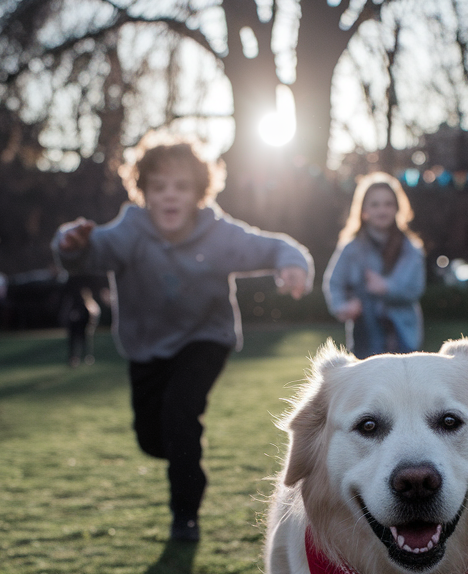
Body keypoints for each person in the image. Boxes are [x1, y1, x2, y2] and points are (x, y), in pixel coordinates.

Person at [53, 134, 313, 542]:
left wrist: (291, 265)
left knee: (180, 414)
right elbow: (86, 252)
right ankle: (181, 447)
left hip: (205, 338)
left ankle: (185, 516)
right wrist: (70, 243)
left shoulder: (218, 234)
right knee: (153, 439)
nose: (170, 197)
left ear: (199, 192)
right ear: (144, 192)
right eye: (159, 188)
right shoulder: (129, 233)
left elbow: (274, 246)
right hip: (146, 345)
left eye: (181, 187)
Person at [324, 173, 425, 358]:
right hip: (364, 337)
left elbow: (415, 288)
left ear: (397, 208)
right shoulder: (351, 248)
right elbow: (333, 282)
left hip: (402, 336)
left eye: (388, 204)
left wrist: (386, 287)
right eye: (375, 204)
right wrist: (342, 306)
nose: (382, 210)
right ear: (363, 210)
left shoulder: (411, 249)